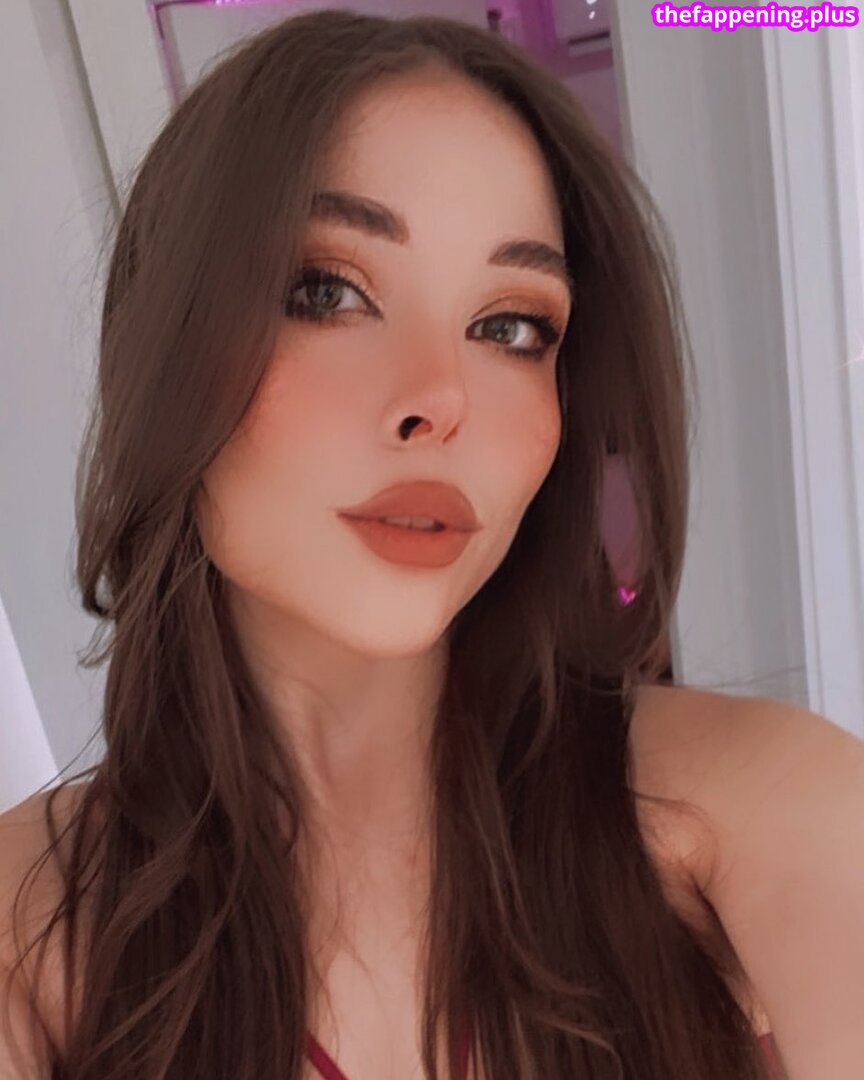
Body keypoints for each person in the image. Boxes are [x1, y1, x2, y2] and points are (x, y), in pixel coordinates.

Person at [2, 8, 861, 1078]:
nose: (440, 399)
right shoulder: (31, 927)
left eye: (511, 327)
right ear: (169, 340)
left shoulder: (758, 805)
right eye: (327, 292)